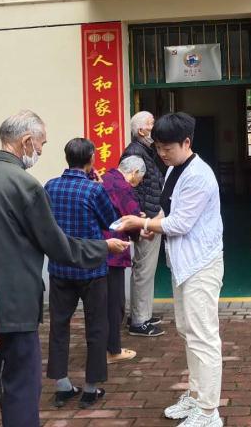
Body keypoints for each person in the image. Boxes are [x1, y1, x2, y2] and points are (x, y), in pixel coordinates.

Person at [0, 110, 130, 427]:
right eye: (41, 144)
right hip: (17, 307)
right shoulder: (26, 184)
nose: (40, 150)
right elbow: (58, 246)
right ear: (26, 141)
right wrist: (103, 247)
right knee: (21, 389)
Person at [119, 112, 225, 427]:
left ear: (186, 142)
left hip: (201, 264)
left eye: (167, 148)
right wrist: (151, 225)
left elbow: (180, 223)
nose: (162, 153)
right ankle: (196, 395)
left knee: (203, 336)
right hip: (183, 264)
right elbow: (169, 211)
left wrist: (142, 223)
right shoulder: (174, 170)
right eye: (158, 147)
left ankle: (209, 411)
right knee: (188, 331)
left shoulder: (199, 175)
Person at [43, 138, 120, 409]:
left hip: (60, 266)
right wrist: (100, 188)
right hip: (91, 267)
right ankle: (90, 388)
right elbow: (111, 221)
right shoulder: (93, 189)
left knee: (59, 326)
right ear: (91, 159)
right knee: (96, 327)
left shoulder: (50, 186)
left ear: (67, 158)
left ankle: (62, 385)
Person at [122, 110, 166, 337]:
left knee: (146, 269)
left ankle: (142, 314)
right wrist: (141, 221)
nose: (154, 127)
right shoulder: (135, 153)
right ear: (141, 131)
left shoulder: (145, 151)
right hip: (146, 220)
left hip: (150, 216)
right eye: (151, 124)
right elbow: (130, 189)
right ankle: (139, 321)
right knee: (143, 269)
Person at [102, 154, 148, 364]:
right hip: (114, 251)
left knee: (100, 302)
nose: (138, 182)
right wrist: (142, 224)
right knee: (115, 303)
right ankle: (112, 350)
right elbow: (132, 218)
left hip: (96, 248)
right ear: (135, 172)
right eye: (140, 178)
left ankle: (100, 347)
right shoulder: (123, 187)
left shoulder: (105, 177)